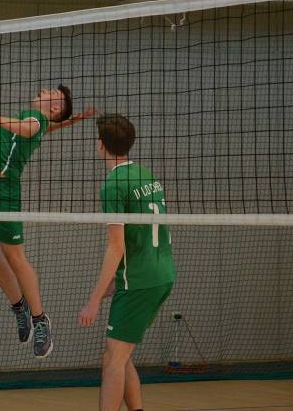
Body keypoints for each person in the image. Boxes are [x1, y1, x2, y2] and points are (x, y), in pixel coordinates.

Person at [0, 89, 95, 358]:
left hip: (2, 192)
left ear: (55, 108)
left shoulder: (35, 120)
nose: (44, 90)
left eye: (52, 93)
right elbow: (40, 129)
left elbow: (30, 128)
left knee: (15, 257)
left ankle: (40, 320)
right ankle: (19, 307)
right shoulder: (35, 121)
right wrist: (72, 121)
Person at [79, 114, 176, 411]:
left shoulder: (113, 184)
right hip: (161, 273)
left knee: (113, 360)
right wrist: (114, 281)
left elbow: (116, 246)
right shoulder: (146, 174)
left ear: (101, 145)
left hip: (139, 280)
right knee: (120, 354)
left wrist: (93, 300)